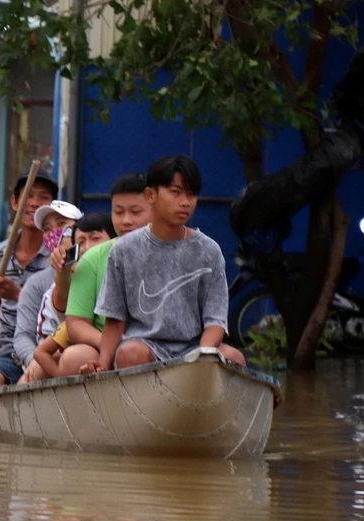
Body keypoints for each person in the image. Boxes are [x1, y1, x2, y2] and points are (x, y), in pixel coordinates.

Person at [78, 155, 247, 374]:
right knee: (130, 354)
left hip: (196, 346)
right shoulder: (124, 250)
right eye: (176, 192)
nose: (185, 202)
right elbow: (115, 318)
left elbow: (215, 320)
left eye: (191, 194)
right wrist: (102, 364)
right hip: (145, 345)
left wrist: (203, 355)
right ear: (151, 195)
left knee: (235, 358)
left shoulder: (209, 251)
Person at [0, 167, 57, 388]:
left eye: (43, 198)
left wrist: (17, 294)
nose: (34, 203)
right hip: (7, 353)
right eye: (28, 196)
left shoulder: (57, 256)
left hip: (46, 351)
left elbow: (60, 308)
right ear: (15, 202)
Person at [57, 172, 153, 376]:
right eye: (118, 212)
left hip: (158, 345)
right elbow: (76, 322)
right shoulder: (93, 257)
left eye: (136, 212)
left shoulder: (175, 251)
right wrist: (109, 345)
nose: (126, 220)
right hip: (105, 344)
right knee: (74, 358)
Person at [18, 211, 117, 383]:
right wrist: (62, 379)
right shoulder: (65, 277)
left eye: (95, 239)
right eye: (81, 242)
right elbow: (38, 349)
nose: (87, 248)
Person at [11, 200, 83, 383]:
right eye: (47, 229)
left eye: (61, 225)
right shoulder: (35, 284)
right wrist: (34, 361)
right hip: (48, 358)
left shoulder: (97, 270)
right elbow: (23, 335)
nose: (54, 234)